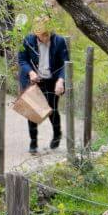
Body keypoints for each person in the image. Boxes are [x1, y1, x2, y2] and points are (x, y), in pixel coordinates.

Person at [18, 17, 69, 154]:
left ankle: (57, 134)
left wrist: (61, 80)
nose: (45, 38)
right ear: (36, 33)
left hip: (53, 80)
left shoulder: (59, 41)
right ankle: (33, 142)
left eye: (47, 34)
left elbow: (66, 63)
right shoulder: (28, 41)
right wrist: (30, 72)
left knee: (52, 109)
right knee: (32, 110)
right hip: (35, 80)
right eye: (42, 35)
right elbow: (22, 59)